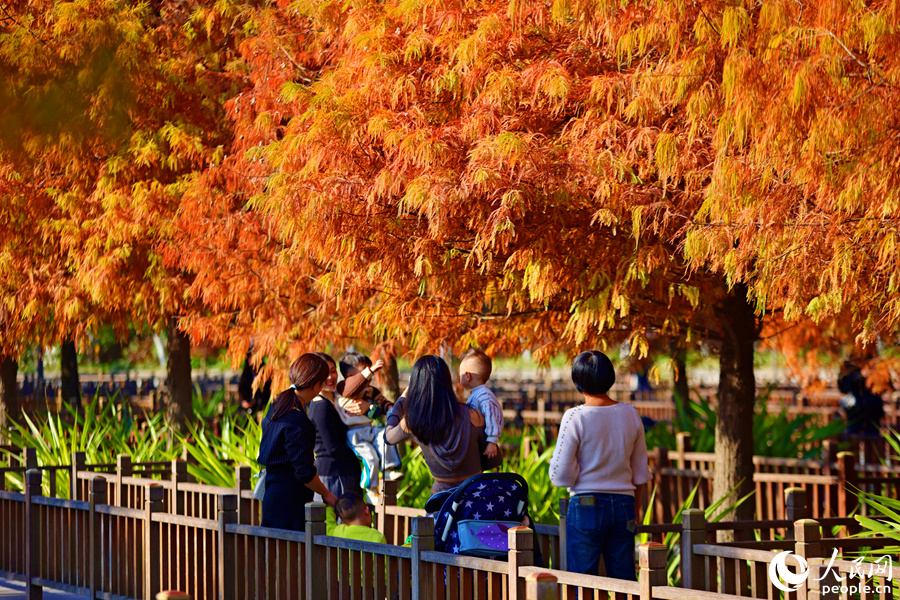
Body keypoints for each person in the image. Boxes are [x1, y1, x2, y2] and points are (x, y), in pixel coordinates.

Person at [549, 351, 651, 580]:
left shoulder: (575, 417)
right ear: (610, 378)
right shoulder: (631, 414)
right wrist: (636, 510)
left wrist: (571, 469)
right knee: (625, 579)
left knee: (582, 581)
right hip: (625, 504)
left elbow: (560, 477)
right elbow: (641, 471)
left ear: (578, 382)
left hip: (586, 504)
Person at [385, 355, 502, 495]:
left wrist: (401, 401)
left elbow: (389, 437)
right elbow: (494, 460)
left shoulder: (412, 422)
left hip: (441, 501)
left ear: (416, 384)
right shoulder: (472, 415)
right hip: (475, 497)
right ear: (447, 380)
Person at [257, 354, 337, 531]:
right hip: (290, 501)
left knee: (272, 554)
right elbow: (304, 473)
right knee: (291, 556)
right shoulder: (298, 420)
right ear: (317, 386)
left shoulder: (277, 406)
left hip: (272, 495)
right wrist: (327, 494)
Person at [335, 352, 403, 502]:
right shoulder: (342, 388)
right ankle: (371, 490)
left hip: (370, 428)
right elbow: (350, 390)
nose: (371, 374)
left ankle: (389, 469)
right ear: (351, 375)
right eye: (365, 370)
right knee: (370, 458)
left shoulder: (370, 390)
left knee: (385, 436)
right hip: (354, 434)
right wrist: (369, 371)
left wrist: (391, 409)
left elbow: (380, 407)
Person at [307, 352, 364, 499]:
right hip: (334, 476)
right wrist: (362, 455)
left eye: (333, 371)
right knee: (341, 520)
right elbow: (333, 448)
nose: (330, 377)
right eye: (324, 373)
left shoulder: (338, 400)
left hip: (343, 473)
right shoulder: (321, 406)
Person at [458, 348, 504, 460]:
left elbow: (492, 418)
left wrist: (492, 442)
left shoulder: (484, 396)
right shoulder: (477, 394)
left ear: (468, 376)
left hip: (486, 440)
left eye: (460, 375)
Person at [838, 358, 885, 437]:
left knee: (873, 439)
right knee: (852, 438)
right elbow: (843, 386)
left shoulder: (877, 361)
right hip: (854, 409)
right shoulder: (849, 363)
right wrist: (860, 375)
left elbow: (885, 386)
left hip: (873, 409)